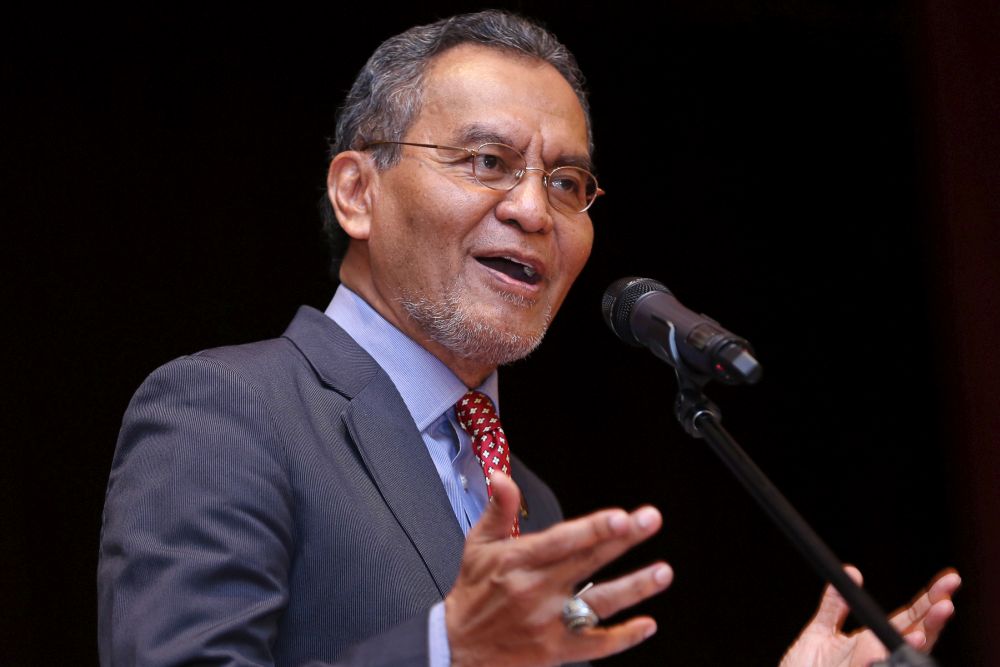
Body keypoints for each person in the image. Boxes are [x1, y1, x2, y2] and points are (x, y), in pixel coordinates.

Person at [97, 10, 959, 667]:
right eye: (485, 163)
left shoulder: (528, 501)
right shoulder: (229, 411)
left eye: (568, 181)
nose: (532, 210)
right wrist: (444, 647)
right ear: (356, 192)